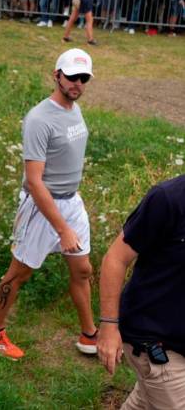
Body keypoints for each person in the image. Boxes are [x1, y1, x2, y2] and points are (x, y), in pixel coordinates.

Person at [0, 48, 97, 360]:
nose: (77, 83)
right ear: (56, 75)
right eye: (72, 76)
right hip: (41, 208)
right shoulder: (39, 118)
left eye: (83, 78)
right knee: (19, 274)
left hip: (72, 202)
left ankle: (90, 335)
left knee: (83, 269)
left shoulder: (74, 109)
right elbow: (34, 181)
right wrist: (62, 229)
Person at [97, 175, 185, 409]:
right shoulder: (168, 199)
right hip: (155, 341)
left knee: (145, 403)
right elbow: (115, 259)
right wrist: (108, 327)